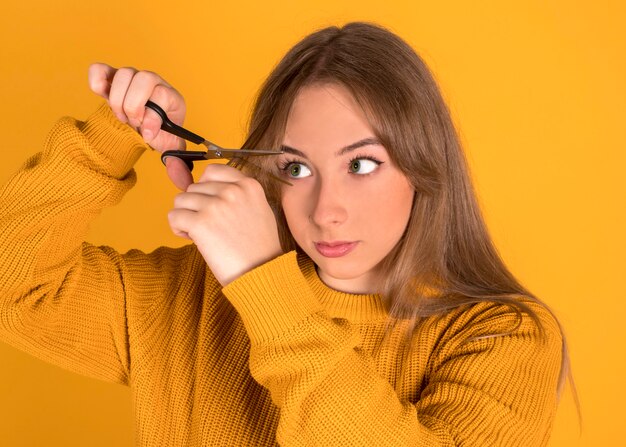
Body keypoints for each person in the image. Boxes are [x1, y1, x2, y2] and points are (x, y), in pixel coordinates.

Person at [0, 22, 567, 446]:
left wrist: (265, 290)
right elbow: (14, 290)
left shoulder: (505, 339)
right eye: (295, 169)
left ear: (424, 167)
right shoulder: (191, 299)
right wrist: (109, 140)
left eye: (362, 164)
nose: (327, 211)